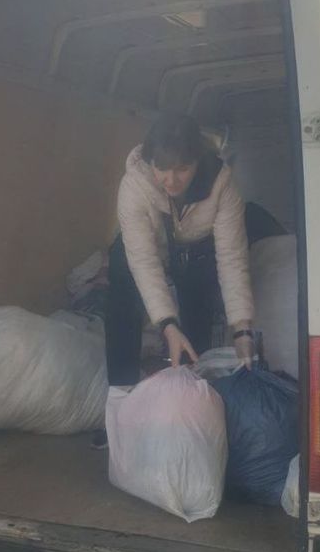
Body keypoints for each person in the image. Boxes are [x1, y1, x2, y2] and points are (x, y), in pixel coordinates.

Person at [94, 112, 255, 447]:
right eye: (161, 168)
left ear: (197, 161)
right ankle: (120, 409)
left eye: (182, 169)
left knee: (198, 306)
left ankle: (192, 408)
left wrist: (242, 329)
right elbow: (143, 261)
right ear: (150, 161)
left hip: (194, 250)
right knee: (122, 281)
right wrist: (167, 324)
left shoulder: (222, 186)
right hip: (150, 250)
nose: (170, 180)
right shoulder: (134, 185)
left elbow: (231, 258)